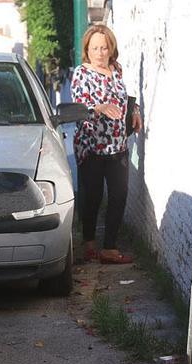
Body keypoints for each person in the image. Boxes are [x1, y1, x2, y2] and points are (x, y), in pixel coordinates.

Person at [71, 24, 142, 264]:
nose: (100, 53)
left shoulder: (116, 69)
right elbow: (79, 107)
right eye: (95, 48)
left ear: (111, 49)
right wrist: (98, 108)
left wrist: (135, 111)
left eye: (104, 47)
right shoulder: (82, 73)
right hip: (91, 145)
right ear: (87, 50)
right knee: (93, 195)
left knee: (119, 195)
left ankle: (109, 247)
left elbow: (124, 98)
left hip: (118, 145)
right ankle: (89, 242)